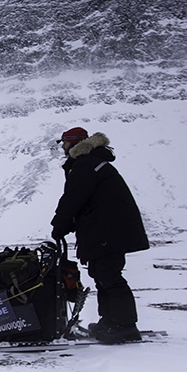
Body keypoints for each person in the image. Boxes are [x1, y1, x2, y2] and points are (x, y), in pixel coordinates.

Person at [51, 127, 149, 344]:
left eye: (64, 143)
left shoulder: (86, 165)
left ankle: (125, 326)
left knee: (109, 276)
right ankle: (110, 321)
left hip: (108, 231)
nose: (62, 147)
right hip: (105, 230)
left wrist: (60, 225)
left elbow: (73, 199)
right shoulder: (90, 163)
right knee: (101, 274)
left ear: (73, 143)